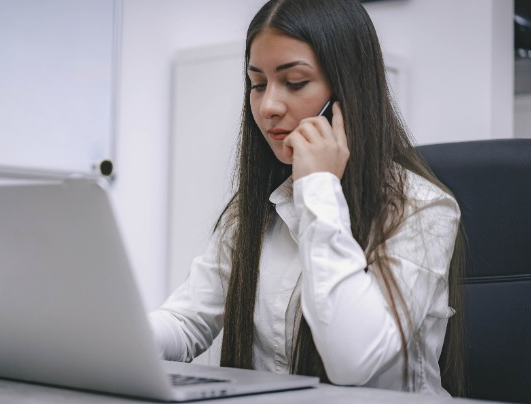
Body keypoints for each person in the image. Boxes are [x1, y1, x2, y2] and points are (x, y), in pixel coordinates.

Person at [150, 0, 465, 397]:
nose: (268, 107)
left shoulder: (421, 209)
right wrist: (106, 335)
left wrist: (319, 188)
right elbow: (186, 322)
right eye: (258, 84)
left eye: (295, 83)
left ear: (348, 91)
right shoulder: (256, 210)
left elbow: (352, 361)